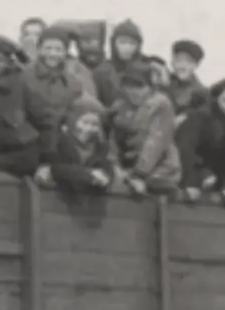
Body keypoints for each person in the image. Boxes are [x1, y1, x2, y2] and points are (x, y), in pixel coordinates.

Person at [0, 35, 51, 179]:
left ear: (8, 63)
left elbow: (45, 122)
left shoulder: (21, 86)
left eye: (0, 61)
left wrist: (46, 162)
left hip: (14, 157)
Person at [107, 65, 181, 195]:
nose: (134, 92)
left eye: (140, 87)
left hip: (160, 170)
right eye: (129, 87)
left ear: (149, 86)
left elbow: (155, 142)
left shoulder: (161, 104)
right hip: (126, 169)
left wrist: (139, 174)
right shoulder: (119, 106)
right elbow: (112, 140)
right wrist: (115, 167)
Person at [23, 26, 84, 184]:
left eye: (58, 49)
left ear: (65, 53)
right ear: (39, 49)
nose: (53, 54)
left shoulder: (73, 83)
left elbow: (74, 114)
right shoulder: (24, 76)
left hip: (57, 144)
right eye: (48, 48)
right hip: (28, 142)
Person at [167, 40, 214, 200]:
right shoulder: (165, 87)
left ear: (196, 66)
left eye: (188, 62)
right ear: (172, 62)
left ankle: (195, 176)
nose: (182, 66)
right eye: (178, 60)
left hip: (189, 150)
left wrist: (185, 116)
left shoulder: (203, 93)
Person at [48, 95, 113, 194]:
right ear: (72, 121)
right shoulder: (59, 143)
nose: (88, 129)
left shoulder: (101, 148)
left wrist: (105, 177)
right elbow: (57, 169)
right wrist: (87, 174)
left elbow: (107, 168)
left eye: (94, 124)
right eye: (85, 123)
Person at [93, 19, 145, 109]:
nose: (127, 47)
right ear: (114, 43)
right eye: (122, 42)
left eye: (132, 43)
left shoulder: (145, 70)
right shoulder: (102, 72)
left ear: (138, 46)